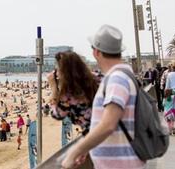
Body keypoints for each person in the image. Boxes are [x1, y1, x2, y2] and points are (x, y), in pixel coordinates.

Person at [62, 25, 146, 169]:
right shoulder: (124, 76)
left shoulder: (117, 79)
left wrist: (75, 151)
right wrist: (89, 147)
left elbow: (108, 125)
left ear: (96, 52)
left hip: (121, 165)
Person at [47, 51, 98, 135]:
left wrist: (53, 87)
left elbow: (57, 114)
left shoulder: (69, 95)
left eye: (58, 69)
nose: (57, 73)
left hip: (96, 135)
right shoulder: (97, 78)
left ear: (64, 72)